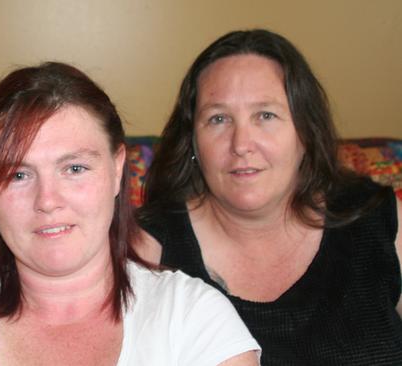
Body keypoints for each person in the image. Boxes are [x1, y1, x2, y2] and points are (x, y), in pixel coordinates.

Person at [0, 62, 260, 365]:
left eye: (74, 168)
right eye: (18, 174)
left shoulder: (193, 317)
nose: (47, 200)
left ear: (116, 171)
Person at [136, 29, 402, 365]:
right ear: (193, 143)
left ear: (305, 132)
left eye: (265, 115)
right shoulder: (147, 252)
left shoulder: (379, 220)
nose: (241, 144)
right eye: (218, 119)